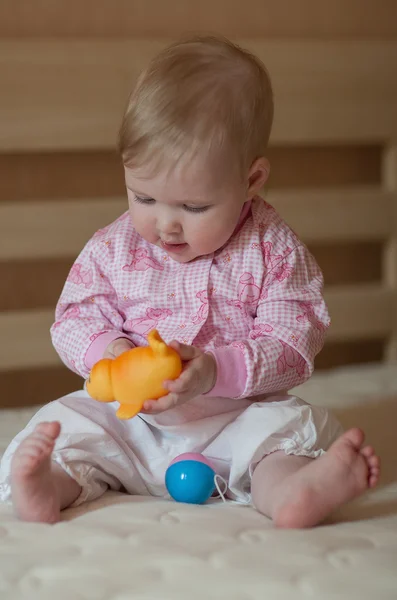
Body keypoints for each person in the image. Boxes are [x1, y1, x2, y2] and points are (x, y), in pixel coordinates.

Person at [0, 36, 380, 526]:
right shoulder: (112, 248)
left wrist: (214, 371)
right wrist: (110, 354)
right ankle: (46, 486)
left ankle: (289, 491)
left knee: (285, 430)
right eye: (143, 197)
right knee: (73, 426)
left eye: (194, 207)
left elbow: (294, 341)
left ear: (251, 180)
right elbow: (75, 315)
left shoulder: (274, 252)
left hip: (233, 422)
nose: (165, 225)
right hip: (130, 424)